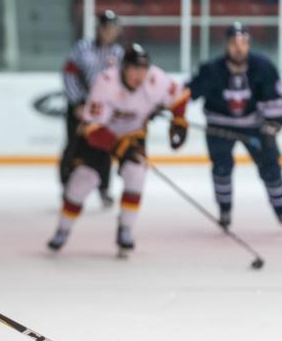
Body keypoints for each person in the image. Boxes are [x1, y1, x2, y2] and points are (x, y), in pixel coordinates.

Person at [47, 44, 190, 257]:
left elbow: (180, 95)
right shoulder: (106, 82)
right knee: (83, 181)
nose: (139, 75)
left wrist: (179, 119)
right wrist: (118, 146)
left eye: (143, 69)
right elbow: (93, 129)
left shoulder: (155, 79)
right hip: (99, 136)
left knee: (136, 173)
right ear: (123, 67)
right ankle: (63, 229)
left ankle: (125, 230)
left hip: (133, 135)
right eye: (134, 68)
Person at [181, 22, 282, 232]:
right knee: (221, 169)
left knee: (271, 167)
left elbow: (275, 99)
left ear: (249, 44)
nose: (239, 47)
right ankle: (225, 211)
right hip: (219, 126)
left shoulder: (263, 67)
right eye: (234, 42)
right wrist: (173, 110)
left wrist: (272, 127)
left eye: (243, 42)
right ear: (226, 44)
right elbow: (187, 93)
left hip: (254, 126)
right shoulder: (211, 69)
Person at [60, 9, 124, 208]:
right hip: (79, 108)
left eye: (113, 28)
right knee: (74, 147)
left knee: (104, 148)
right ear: (99, 28)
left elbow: (122, 83)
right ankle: (67, 187)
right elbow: (69, 74)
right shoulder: (82, 48)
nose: (109, 32)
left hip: (104, 111)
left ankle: (104, 188)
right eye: (106, 28)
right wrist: (78, 103)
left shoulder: (119, 53)